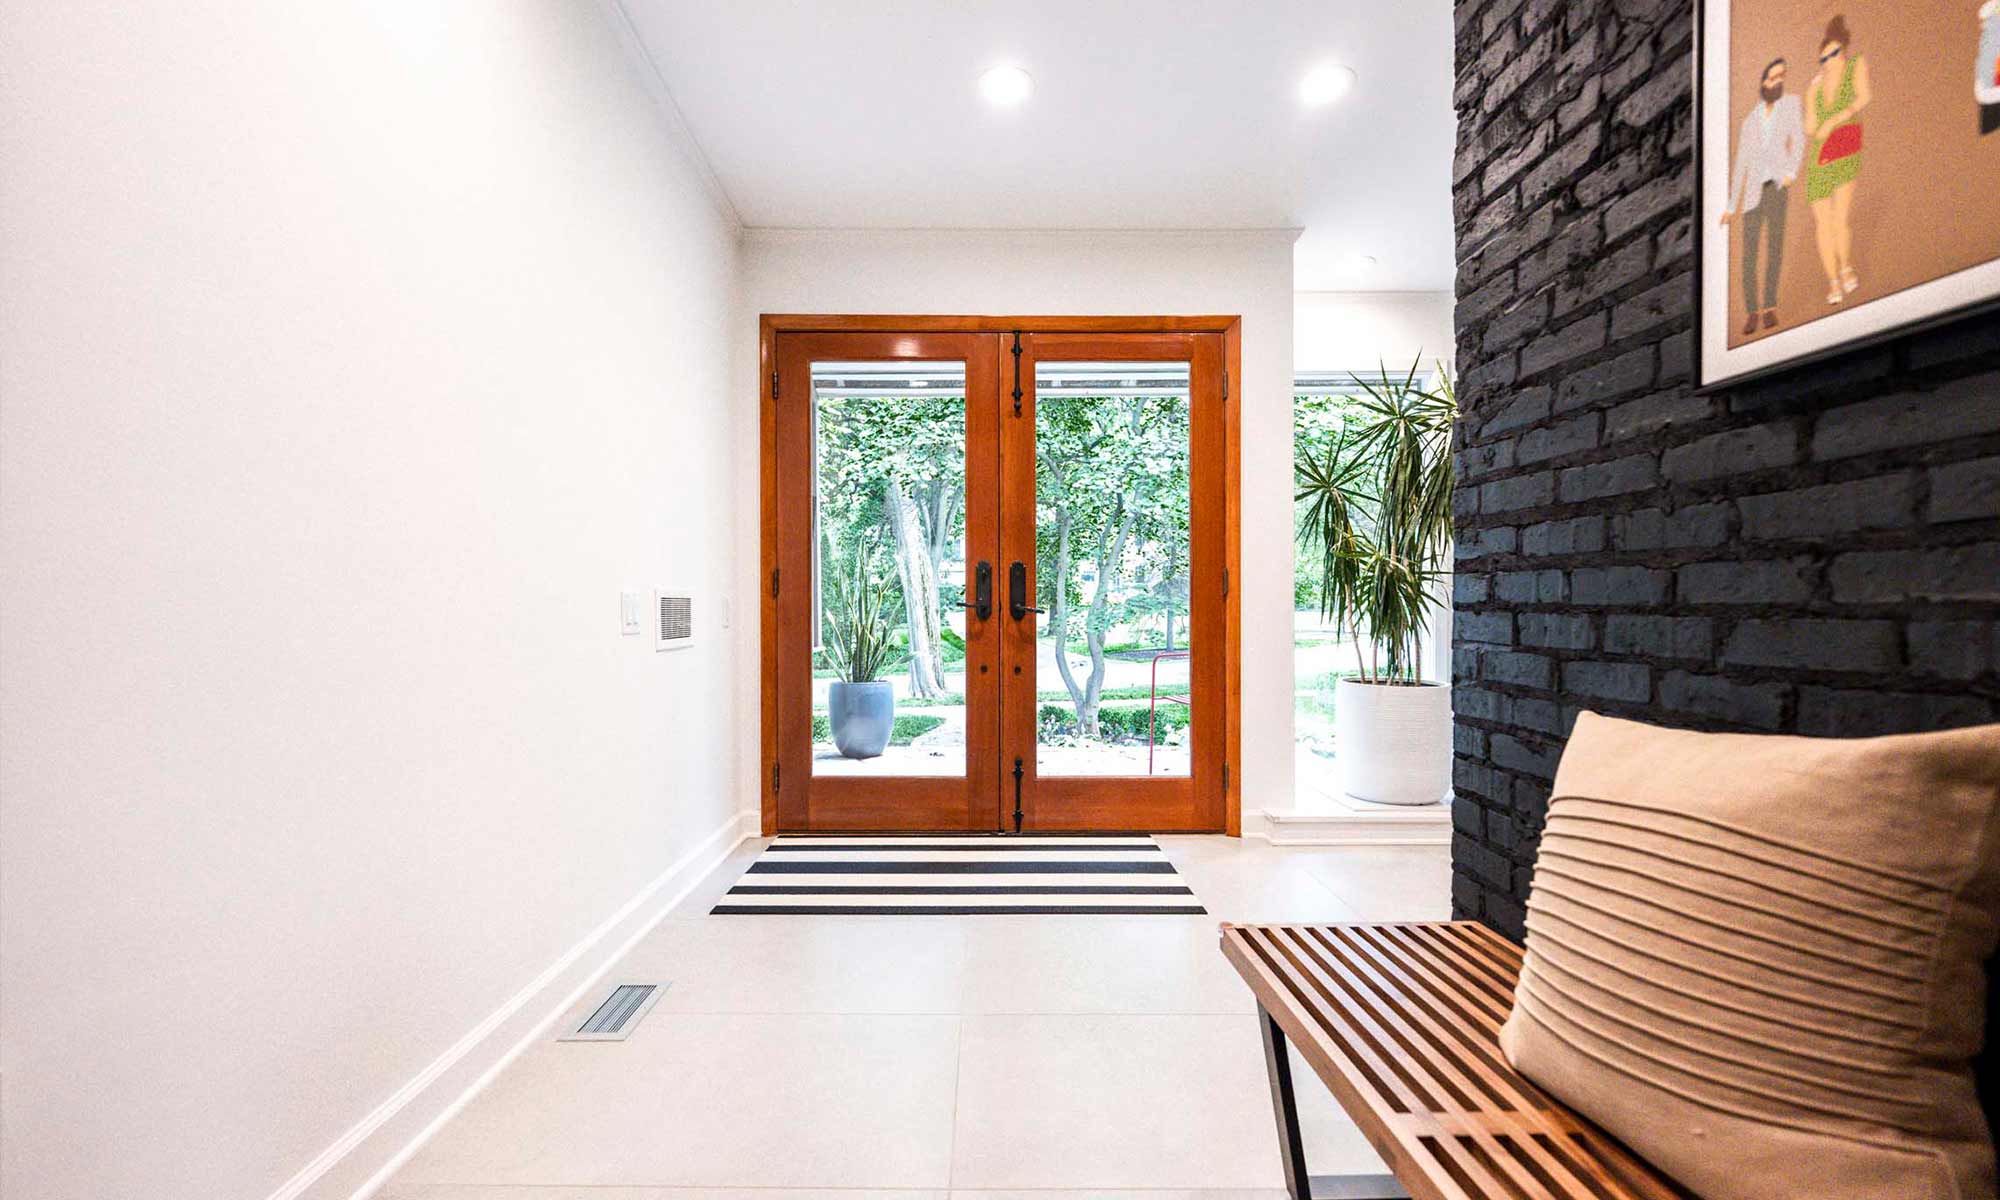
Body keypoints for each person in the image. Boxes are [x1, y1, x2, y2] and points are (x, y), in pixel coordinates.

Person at [1720, 57, 1806, 334]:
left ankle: (1769, 306)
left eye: (1781, 77)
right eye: (1772, 78)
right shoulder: (1750, 122)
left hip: (1777, 188)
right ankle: (1752, 311)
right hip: (1753, 195)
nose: (1777, 82)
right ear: (1762, 83)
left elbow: (1800, 138)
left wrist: (1791, 171)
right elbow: (1741, 165)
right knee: (1749, 255)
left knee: (1775, 249)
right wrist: (1731, 206)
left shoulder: (1790, 105)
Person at [1805, 15, 1872, 305]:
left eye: (1834, 53)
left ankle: (1845, 268)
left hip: (1845, 145)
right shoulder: (1815, 87)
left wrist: (1834, 120)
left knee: (1841, 216)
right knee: (1823, 222)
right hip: (1820, 155)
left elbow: (1864, 98)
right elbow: (1809, 127)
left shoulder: (1856, 65)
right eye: (1824, 57)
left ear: (1843, 50)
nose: (1831, 59)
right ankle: (1832, 281)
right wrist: (1812, 97)